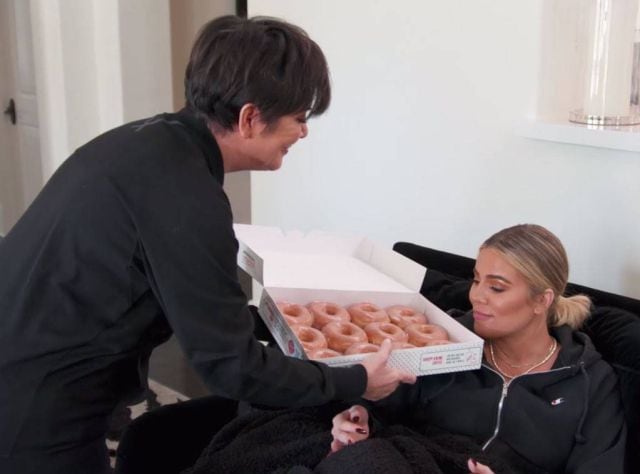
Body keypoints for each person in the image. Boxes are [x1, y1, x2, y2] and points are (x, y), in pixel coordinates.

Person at [0, 15, 415, 474]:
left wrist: (277, 325)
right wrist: (355, 380)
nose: (304, 133)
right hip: (36, 399)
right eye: (299, 118)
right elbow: (230, 366)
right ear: (250, 118)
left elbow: (195, 306)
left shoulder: (148, 143)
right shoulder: (187, 198)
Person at [184, 224, 626, 474]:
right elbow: (383, 409)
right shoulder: (446, 341)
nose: (476, 297)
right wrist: (355, 420)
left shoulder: (589, 381)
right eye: (476, 280)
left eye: (496, 287)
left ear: (542, 300)